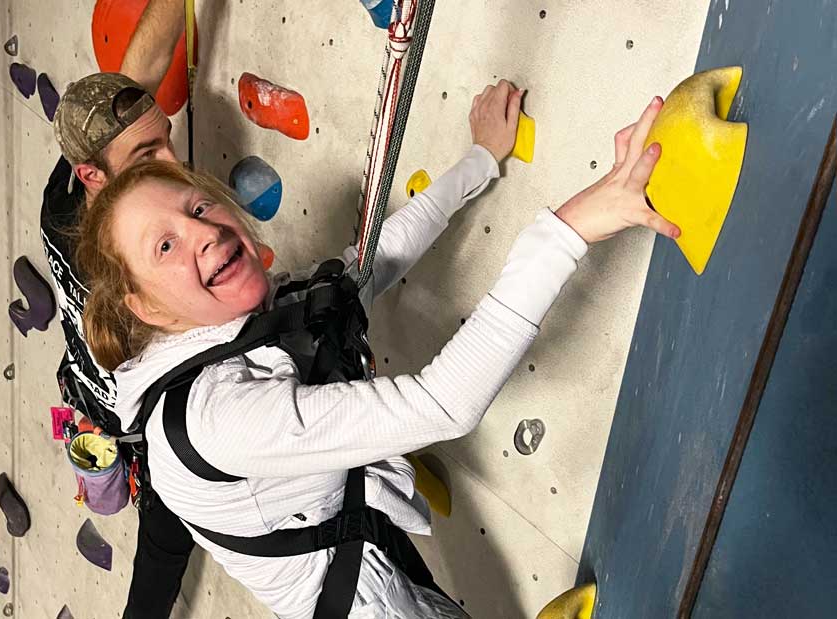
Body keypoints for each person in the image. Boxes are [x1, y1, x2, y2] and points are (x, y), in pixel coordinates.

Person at [76, 79, 679, 618]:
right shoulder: (216, 418)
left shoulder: (224, 323)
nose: (203, 234)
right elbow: (442, 404)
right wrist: (570, 228)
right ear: (147, 308)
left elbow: (369, 265)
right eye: (164, 247)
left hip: (369, 568)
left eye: (198, 206)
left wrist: (479, 159)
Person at [39, 2, 198, 617]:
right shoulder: (131, 267)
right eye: (146, 156)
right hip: (123, 418)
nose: (171, 161)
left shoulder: (67, 194)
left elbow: (141, 71)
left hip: (84, 393)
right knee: (158, 548)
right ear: (95, 174)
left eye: (165, 140)